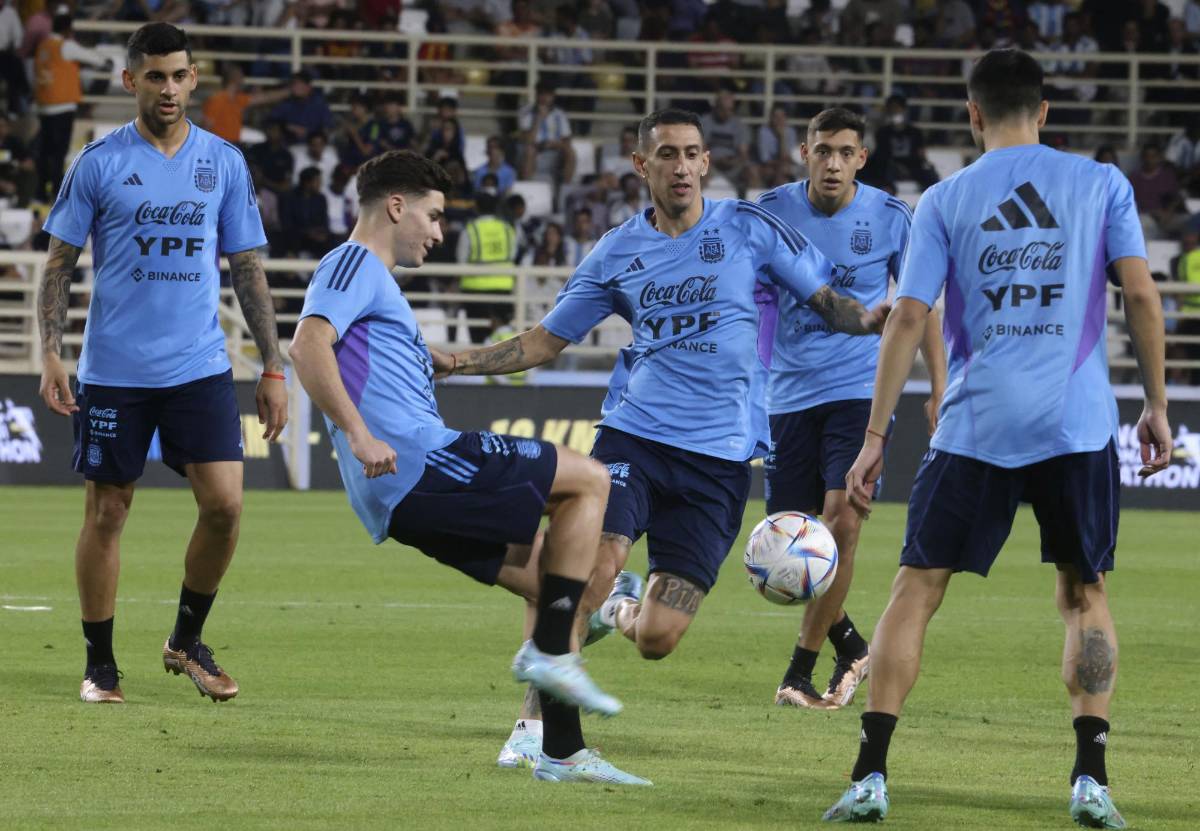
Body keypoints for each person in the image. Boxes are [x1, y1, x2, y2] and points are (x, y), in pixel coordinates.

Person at [440, 109, 888, 768]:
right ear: (640, 164)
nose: (681, 166)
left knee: (657, 636)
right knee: (589, 569)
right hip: (634, 441)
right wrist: (457, 360)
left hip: (720, 464)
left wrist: (874, 320)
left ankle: (618, 607)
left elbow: (826, 301)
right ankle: (535, 729)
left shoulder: (747, 228)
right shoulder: (617, 251)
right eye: (667, 154)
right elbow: (543, 341)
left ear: (706, 162)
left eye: (692, 153)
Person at [821, 49, 1171, 827]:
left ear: (972, 114)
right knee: (1084, 594)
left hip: (977, 422)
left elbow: (908, 318)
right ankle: (1091, 780)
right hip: (1076, 422)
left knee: (916, 588)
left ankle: (870, 774)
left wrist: (874, 437)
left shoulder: (946, 198)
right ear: (1043, 110)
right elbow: (1142, 295)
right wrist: (1155, 403)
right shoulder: (1100, 183)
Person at [287, 149, 647, 786]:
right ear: (395, 206)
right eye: (433, 216)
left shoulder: (375, 285)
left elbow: (359, 356)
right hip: (421, 461)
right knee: (590, 479)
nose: (438, 231)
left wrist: (421, 358)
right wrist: (360, 434)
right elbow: (307, 344)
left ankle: (559, 750)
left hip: (399, 494)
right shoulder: (352, 263)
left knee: (557, 581)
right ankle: (553, 655)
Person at [36, 22, 288, 705]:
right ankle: (100, 665)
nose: (169, 88)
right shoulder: (98, 162)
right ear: (130, 81)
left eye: (179, 75)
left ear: (193, 78)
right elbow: (58, 265)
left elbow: (247, 268)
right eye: (155, 76)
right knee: (108, 513)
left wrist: (273, 366)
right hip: (115, 370)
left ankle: (185, 641)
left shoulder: (224, 162)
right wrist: (52, 353)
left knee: (226, 507)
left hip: (199, 367)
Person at [756, 107, 946, 711]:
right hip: (787, 395)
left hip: (859, 393)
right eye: (823, 151)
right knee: (790, 547)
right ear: (804, 153)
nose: (833, 163)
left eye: (845, 152)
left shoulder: (891, 217)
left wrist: (939, 386)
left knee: (842, 522)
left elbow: (921, 305)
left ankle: (799, 672)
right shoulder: (770, 211)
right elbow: (753, 297)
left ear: (862, 158)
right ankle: (853, 646)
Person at [33, 12, 111, 201]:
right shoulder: (66, 46)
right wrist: (106, 61)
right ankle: (56, 191)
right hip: (62, 106)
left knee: (45, 150)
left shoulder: (43, 46)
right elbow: (95, 59)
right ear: (68, 30)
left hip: (44, 105)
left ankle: (41, 191)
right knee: (59, 152)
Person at [456, 189, 518, 343]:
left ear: (476, 207)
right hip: (503, 288)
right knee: (503, 336)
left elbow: (461, 259)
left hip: (475, 291)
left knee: (478, 339)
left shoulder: (471, 229)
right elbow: (513, 254)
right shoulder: (507, 228)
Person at [200, 64, 288, 145]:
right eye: (241, 76)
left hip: (233, 142)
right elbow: (206, 127)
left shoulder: (237, 98)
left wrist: (289, 91)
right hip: (221, 144)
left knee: (260, 137)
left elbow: (265, 98)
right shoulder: (216, 100)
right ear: (235, 78)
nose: (243, 80)